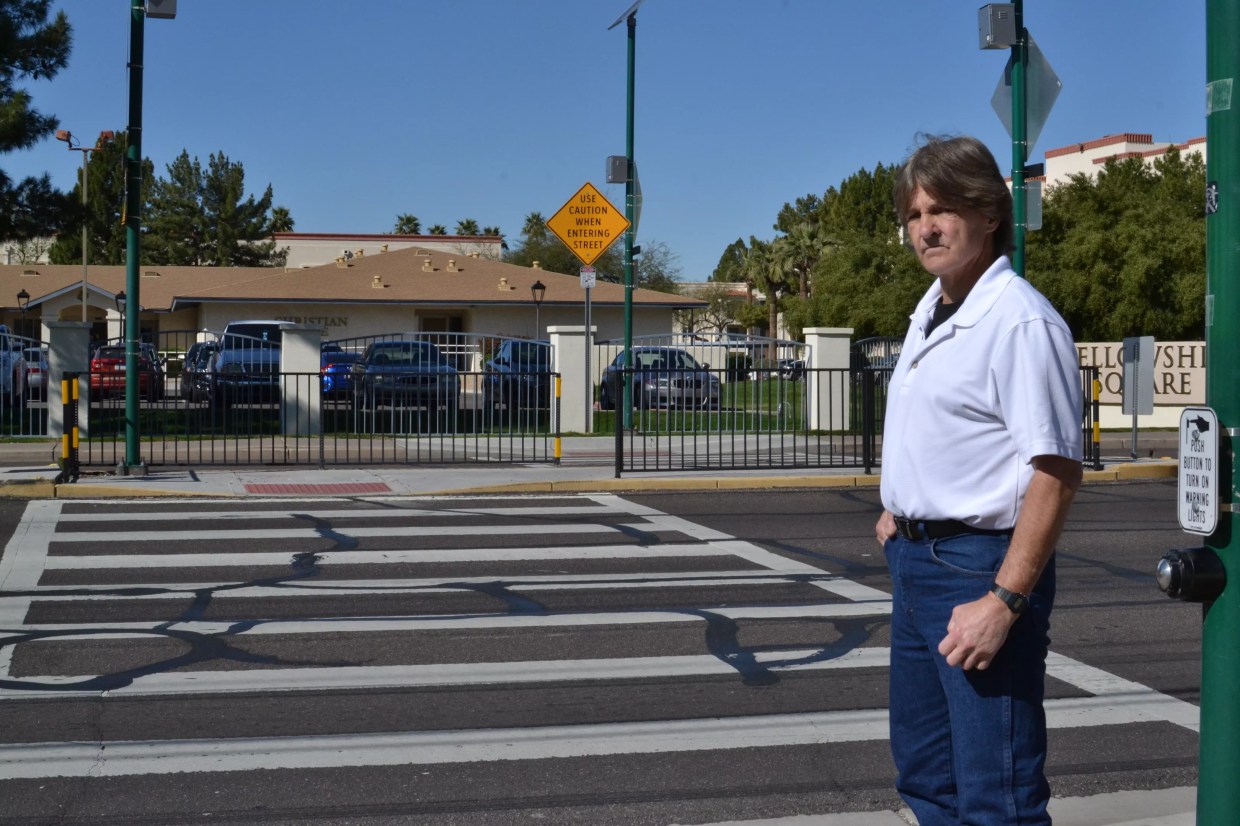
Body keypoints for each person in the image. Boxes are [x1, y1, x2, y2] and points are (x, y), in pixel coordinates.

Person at [875, 134, 1083, 826]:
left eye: (944, 209)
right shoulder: (932, 308)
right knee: (929, 780)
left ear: (989, 214)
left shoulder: (1020, 320)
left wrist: (1004, 601)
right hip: (917, 565)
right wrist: (898, 509)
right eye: (914, 213)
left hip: (977, 571)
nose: (926, 227)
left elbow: (1055, 470)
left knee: (998, 795)